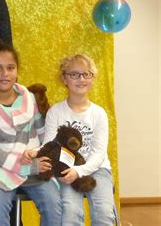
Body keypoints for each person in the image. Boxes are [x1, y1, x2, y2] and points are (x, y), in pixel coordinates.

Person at [0, 38, 62, 226]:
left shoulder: (31, 98)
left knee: (54, 205)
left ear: (17, 70)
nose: (5, 74)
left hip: (36, 167)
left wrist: (39, 154)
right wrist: (26, 167)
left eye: (10, 68)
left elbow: (44, 134)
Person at [43, 54, 117, 225]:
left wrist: (80, 171)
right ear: (64, 78)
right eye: (74, 74)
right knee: (70, 212)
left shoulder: (99, 114)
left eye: (86, 74)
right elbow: (49, 146)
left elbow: (99, 154)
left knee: (104, 213)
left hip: (98, 169)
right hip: (66, 170)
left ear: (92, 78)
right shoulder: (55, 112)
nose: (81, 79)